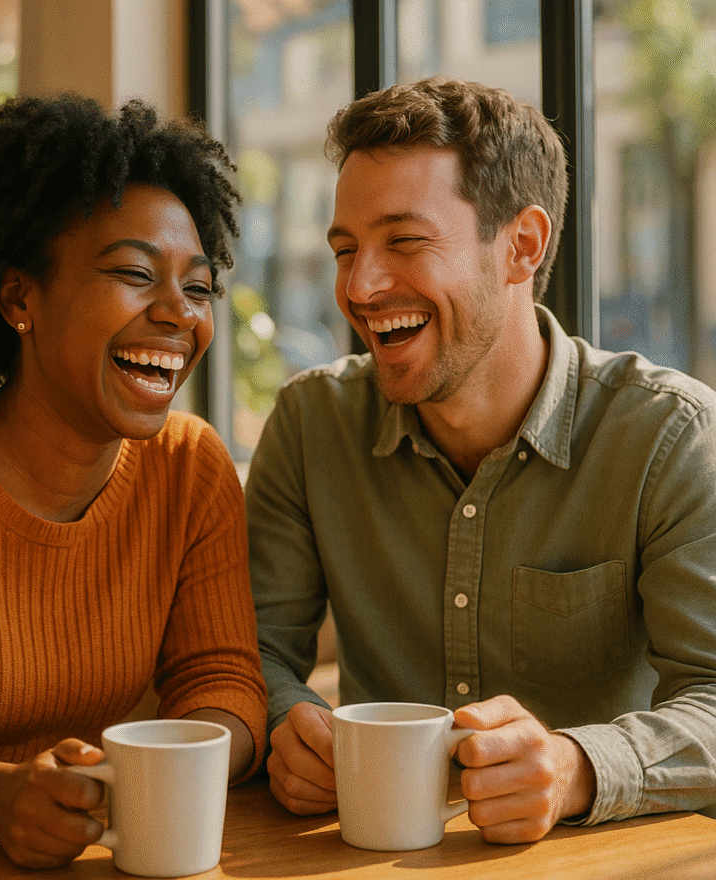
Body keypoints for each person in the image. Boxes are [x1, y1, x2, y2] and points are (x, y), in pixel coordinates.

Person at [246, 76, 716, 843]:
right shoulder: (310, 424)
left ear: (521, 246)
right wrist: (285, 720)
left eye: (403, 241)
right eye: (344, 249)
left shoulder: (669, 437)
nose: (359, 286)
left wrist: (577, 767)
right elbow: (252, 654)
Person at [0, 94, 267, 869]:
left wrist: (168, 768)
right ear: (18, 297)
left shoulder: (190, 467)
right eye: (136, 273)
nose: (179, 313)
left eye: (198, 287)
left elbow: (223, 680)